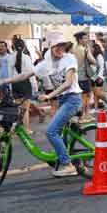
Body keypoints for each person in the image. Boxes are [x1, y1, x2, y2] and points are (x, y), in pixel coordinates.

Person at [34, 31, 82, 177]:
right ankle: (76, 161)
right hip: (62, 100)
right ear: (50, 47)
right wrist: (3, 82)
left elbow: (68, 83)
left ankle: (68, 165)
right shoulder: (48, 63)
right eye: (56, 46)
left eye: (62, 45)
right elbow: (28, 74)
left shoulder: (69, 59)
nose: (60, 48)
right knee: (60, 134)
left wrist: (49, 96)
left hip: (72, 98)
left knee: (51, 131)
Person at [0, 38, 37, 134]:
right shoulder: (26, 57)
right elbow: (32, 73)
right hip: (25, 84)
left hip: (15, 84)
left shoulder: (10, 58)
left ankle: (14, 129)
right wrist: (35, 86)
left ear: (12, 47)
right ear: (24, 46)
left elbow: (10, 74)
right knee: (25, 109)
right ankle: (26, 129)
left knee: (18, 108)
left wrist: (10, 86)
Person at [73, 31, 96, 122]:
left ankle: (86, 115)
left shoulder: (74, 48)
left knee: (85, 96)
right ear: (80, 39)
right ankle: (83, 116)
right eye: (85, 38)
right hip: (84, 75)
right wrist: (89, 50)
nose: (87, 40)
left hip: (78, 76)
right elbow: (93, 61)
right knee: (85, 97)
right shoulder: (83, 49)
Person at [90, 42, 107, 112]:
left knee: (98, 93)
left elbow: (101, 67)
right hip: (93, 77)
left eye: (92, 48)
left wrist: (99, 76)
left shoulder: (99, 56)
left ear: (95, 48)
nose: (91, 49)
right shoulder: (93, 56)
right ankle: (96, 108)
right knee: (95, 94)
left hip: (98, 77)